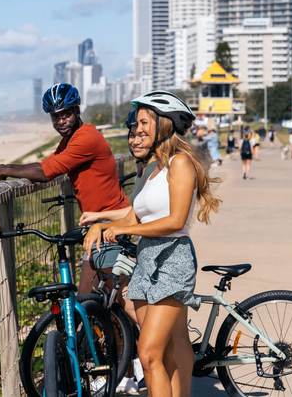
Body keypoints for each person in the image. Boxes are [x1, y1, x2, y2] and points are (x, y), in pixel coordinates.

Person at [83, 91, 220, 397]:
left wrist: (123, 230)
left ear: (165, 125)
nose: (138, 129)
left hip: (172, 259)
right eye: (136, 123)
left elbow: (175, 221)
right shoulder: (152, 169)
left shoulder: (180, 163)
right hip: (147, 260)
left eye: (145, 122)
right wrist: (103, 224)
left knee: (148, 354)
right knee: (166, 351)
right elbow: (134, 214)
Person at [0, 83, 129, 293]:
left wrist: (4, 169)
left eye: (66, 115)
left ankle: (148, 325)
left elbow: (45, 172)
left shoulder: (86, 139)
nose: (60, 121)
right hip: (96, 223)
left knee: (108, 295)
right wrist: (9, 170)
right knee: (96, 296)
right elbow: (50, 163)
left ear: (77, 110)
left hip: (109, 223)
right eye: (55, 117)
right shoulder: (70, 139)